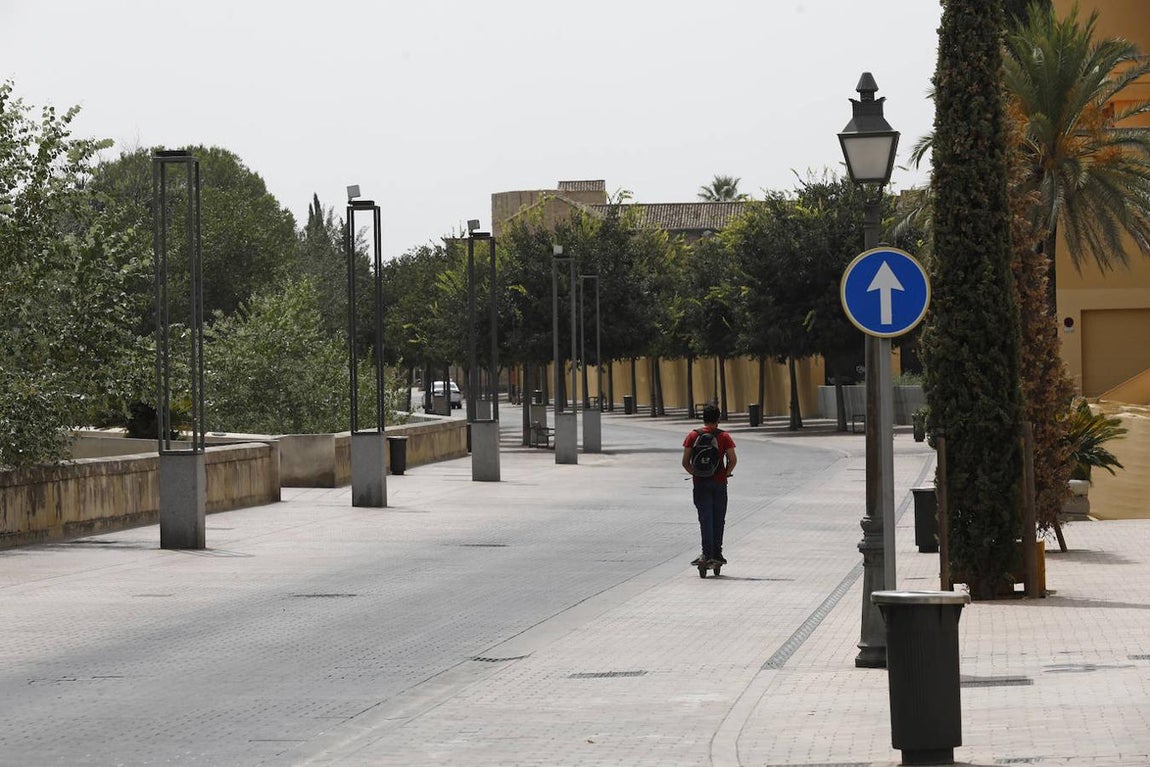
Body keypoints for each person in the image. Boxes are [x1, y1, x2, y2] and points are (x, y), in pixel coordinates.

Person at [681, 403, 737, 567]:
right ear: (718, 419)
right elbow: (733, 459)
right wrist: (726, 472)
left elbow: (685, 462)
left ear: (703, 418)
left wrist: (696, 473)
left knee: (705, 518)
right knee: (718, 519)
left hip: (700, 484)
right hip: (719, 483)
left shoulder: (693, 435)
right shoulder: (724, 436)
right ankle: (717, 554)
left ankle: (706, 554)